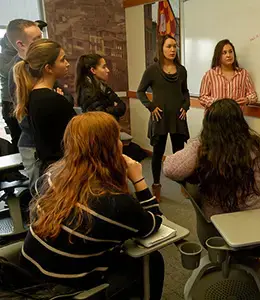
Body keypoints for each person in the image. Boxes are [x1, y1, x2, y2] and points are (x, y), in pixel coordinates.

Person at [21, 112, 164, 299]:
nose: (121, 143)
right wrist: (138, 180)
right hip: (62, 292)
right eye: (117, 138)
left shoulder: (50, 176)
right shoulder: (114, 203)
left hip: (25, 279)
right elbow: (154, 223)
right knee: (152, 260)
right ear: (110, 149)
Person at [163, 98, 260, 286]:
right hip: (257, 233)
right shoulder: (256, 147)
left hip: (214, 234)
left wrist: (198, 143)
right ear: (240, 122)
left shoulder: (203, 149)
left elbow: (169, 168)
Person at [137, 34, 190, 201]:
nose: (173, 49)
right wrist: (151, 107)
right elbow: (140, 91)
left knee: (179, 154)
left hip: (177, 117)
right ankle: (156, 186)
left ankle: (183, 185)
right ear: (161, 49)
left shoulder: (181, 70)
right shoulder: (152, 70)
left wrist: (186, 107)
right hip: (160, 118)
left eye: (175, 46)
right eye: (169, 46)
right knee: (158, 154)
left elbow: (185, 92)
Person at [13, 39, 76, 178]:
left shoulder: (34, 96)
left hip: (51, 167)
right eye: (62, 60)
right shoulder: (52, 100)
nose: (67, 64)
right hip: (62, 169)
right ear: (48, 68)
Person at [4, 19, 41, 153]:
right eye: (37, 39)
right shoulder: (18, 72)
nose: (42, 43)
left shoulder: (40, 65)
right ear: (21, 44)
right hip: (36, 145)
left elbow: (65, 97)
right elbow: (25, 117)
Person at [199, 39, 258, 108]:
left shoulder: (243, 74)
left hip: (235, 116)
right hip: (216, 117)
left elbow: (253, 95)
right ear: (218, 56)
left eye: (230, 52)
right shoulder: (210, 74)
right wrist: (218, 103)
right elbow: (202, 98)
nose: (228, 55)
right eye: (224, 53)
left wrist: (247, 100)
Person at [75, 54, 126, 120]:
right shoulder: (88, 92)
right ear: (93, 70)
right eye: (104, 67)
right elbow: (100, 117)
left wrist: (109, 108)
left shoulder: (103, 87)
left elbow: (122, 106)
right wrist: (113, 107)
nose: (108, 70)